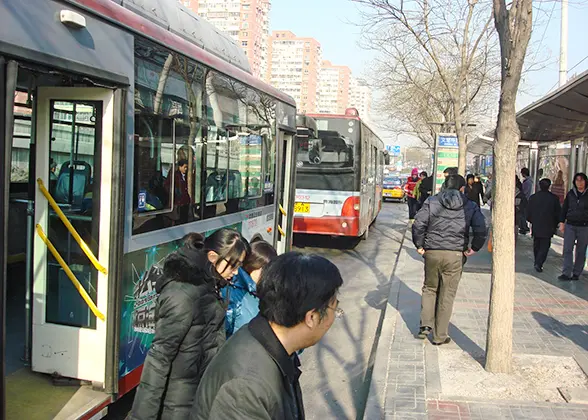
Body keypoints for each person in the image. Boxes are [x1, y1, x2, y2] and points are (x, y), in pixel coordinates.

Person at [192, 252, 344, 419]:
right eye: (334, 309)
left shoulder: (271, 343)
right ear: (312, 317)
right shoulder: (246, 389)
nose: (334, 317)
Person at [129, 229, 249, 420]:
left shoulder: (211, 283)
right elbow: (159, 360)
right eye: (233, 266)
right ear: (212, 256)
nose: (235, 273)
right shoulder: (183, 295)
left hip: (199, 396)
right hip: (179, 405)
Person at [412, 174, 486, 345]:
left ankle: (425, 325)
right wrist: (474, 247)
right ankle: (439, 336)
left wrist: (419, 244)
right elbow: (481, 228)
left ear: (444, 186)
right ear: (462, 188)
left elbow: (418, 223)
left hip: (432, 252)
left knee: (429, 288)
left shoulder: (432, 201)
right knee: (447, 294)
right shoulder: (470, 205)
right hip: (455, 254)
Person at [222, 239, 278, 337]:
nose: (268, 275)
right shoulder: (232, 292)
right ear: (253, 265)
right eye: (265, 269)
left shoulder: (265, 290)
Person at [527, 178, 561, 273]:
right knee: (545, 246)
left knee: (536, 244)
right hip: (548, 226)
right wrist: (556, 223)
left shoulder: (533, 197)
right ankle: (539, 262)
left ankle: (537, 261)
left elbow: (528, 212)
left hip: (537, 225)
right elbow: (558, 213)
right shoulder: (554, 198)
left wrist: (531, 220)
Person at [559, 173, 588, 281]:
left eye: (581, 180)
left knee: (581, 250)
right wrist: (562, 222)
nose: (579, 182)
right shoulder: (571, 194)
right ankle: (566, 273)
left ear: (585, 181)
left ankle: (576, 272)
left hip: (584, 226)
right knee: (567, 249)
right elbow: (564, 208)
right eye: (577, 180)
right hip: (570, 225)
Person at [164, 159, 191, 226]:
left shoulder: (186, 175)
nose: (186, 169)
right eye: (185, 167)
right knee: (178, 221)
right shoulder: (175, 175)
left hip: (185, 202)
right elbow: (167, 186)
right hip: (178, 202)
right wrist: (175, 193)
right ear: (180, 167)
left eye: (187, 167)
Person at [519, 168, 533, 234]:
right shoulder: (529, 181)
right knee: (523, 214)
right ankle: (523, 227)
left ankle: (524, 227)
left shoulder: (527, 182)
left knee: (522, 214)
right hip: (527, 199)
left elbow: (524, 192)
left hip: (525, 200)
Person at [515, 176, 528, 241]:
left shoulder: (518, 190)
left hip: (518, 209)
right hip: (518, 208)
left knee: (518, 221)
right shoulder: (520, 187)